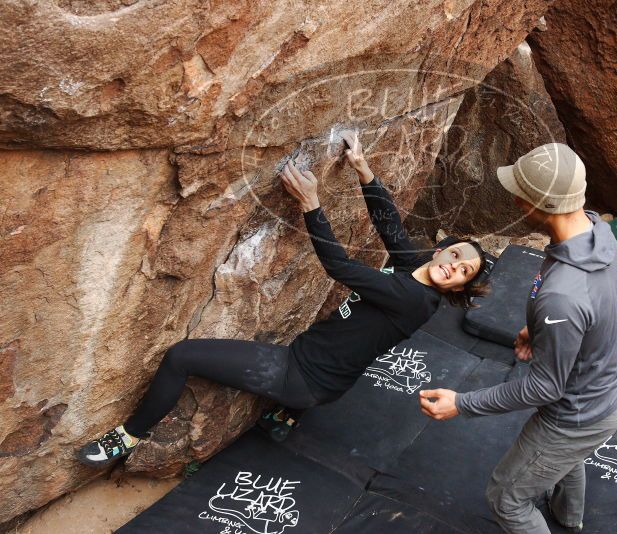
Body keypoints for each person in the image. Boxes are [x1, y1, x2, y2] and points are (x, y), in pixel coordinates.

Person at [77, 131, 488, 467]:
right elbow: (391, 227)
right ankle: (282, 416)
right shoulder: (416, 266)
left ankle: (128, 435)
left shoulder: (415, 298)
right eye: (456, 256)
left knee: (181, 356)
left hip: (298, 374)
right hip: (332, 380)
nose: (455, 267)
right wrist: (363, 169)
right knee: (330, 343)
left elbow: (340, 268)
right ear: (441, 251)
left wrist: (311, 204)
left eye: (464, 273)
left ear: (458, 289)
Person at [419, 143, 617, 534]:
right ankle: (570, 520)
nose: (515, 199)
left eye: (520, 194)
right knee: (568, 460)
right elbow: (593, 308)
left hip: (576, 415)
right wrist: (539, 329)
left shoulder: (562, 298)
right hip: (608, 389)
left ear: (534, 205)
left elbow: (545, 388)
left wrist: (463, 403)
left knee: (507, 498)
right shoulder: (596, 231)